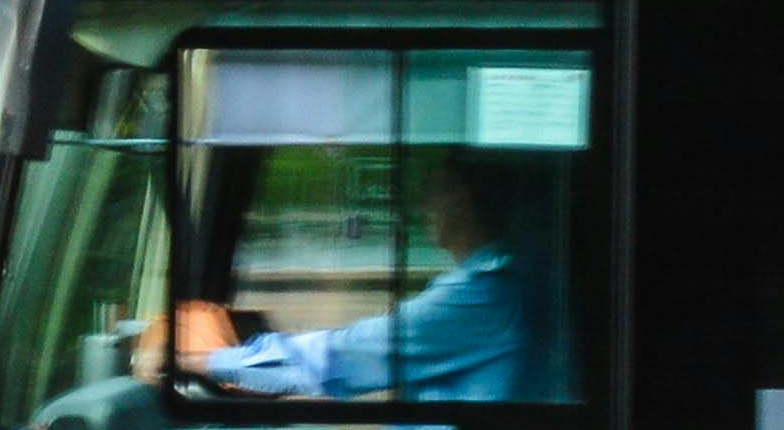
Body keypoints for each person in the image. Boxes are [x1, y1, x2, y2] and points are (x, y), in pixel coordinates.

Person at [180, 154, 569, 406]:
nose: (423, 207)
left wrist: (207, 360)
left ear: (462, 200)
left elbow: (339, 360)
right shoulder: (501, 284)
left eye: (433, 191)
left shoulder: (486, 295)